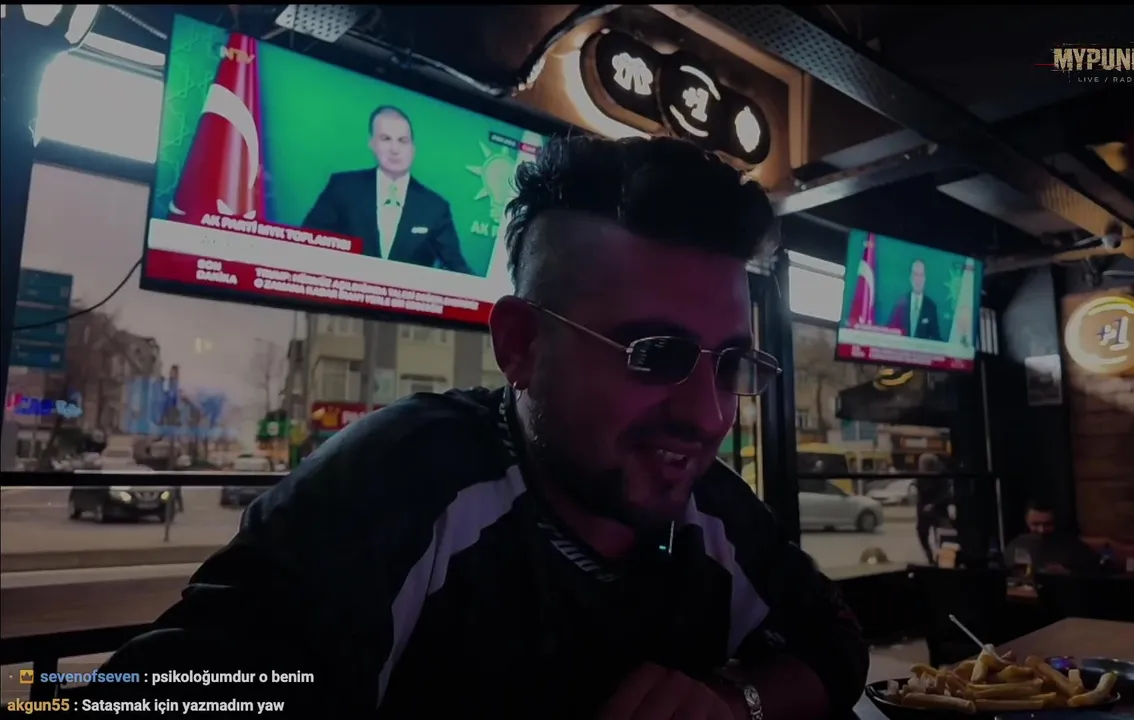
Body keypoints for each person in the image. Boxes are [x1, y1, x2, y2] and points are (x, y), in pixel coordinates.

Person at [90, 136, 869, 719]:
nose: (709, 416)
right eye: (653, 354)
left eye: (730, 364)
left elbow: (836, 647)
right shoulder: (406, 479)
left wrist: (735, 702)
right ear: (521, 346)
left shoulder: (711, 510)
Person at [302, 105, 473, 274]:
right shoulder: (343, 187)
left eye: (402, 141)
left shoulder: (435, 207)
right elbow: (307, 242)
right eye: (386, 139)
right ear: (372, 144)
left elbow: (457, 268)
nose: (395, 149)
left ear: (413, 149)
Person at [1003, 499, 1099, 575]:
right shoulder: (1016, 545)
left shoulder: (1075, 547)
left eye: (1047, 524)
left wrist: (1068, 574)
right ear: (1026, 521)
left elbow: (1095, 576)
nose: (1041, 530)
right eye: (1035, 524)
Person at [886, 259, 940, 340]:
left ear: (925, 278)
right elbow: (890, 331)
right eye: (915, 275)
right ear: (910, 278)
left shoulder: (931, 307)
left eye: (921, 275)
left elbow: (935, 337)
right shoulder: (900, 304)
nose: (918, 279)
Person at [913, 453, 952, 565]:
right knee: (921, 532)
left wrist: (934, 505)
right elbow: (920, 494)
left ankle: (942, 558)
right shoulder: (921, 477)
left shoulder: (940, 476)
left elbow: (946, 495)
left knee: (943, 536)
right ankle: (930, 557)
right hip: (924, 510)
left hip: (939, 509)